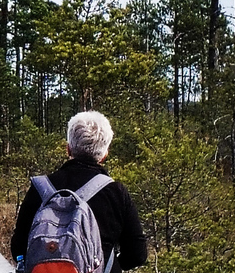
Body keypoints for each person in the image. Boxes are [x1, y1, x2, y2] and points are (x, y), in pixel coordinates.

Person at [10, 111, 147, 273]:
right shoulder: (116, 192)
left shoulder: (40, 188)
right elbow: (137, 254)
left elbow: (18, 247)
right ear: (104, 155)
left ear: (68, 149)